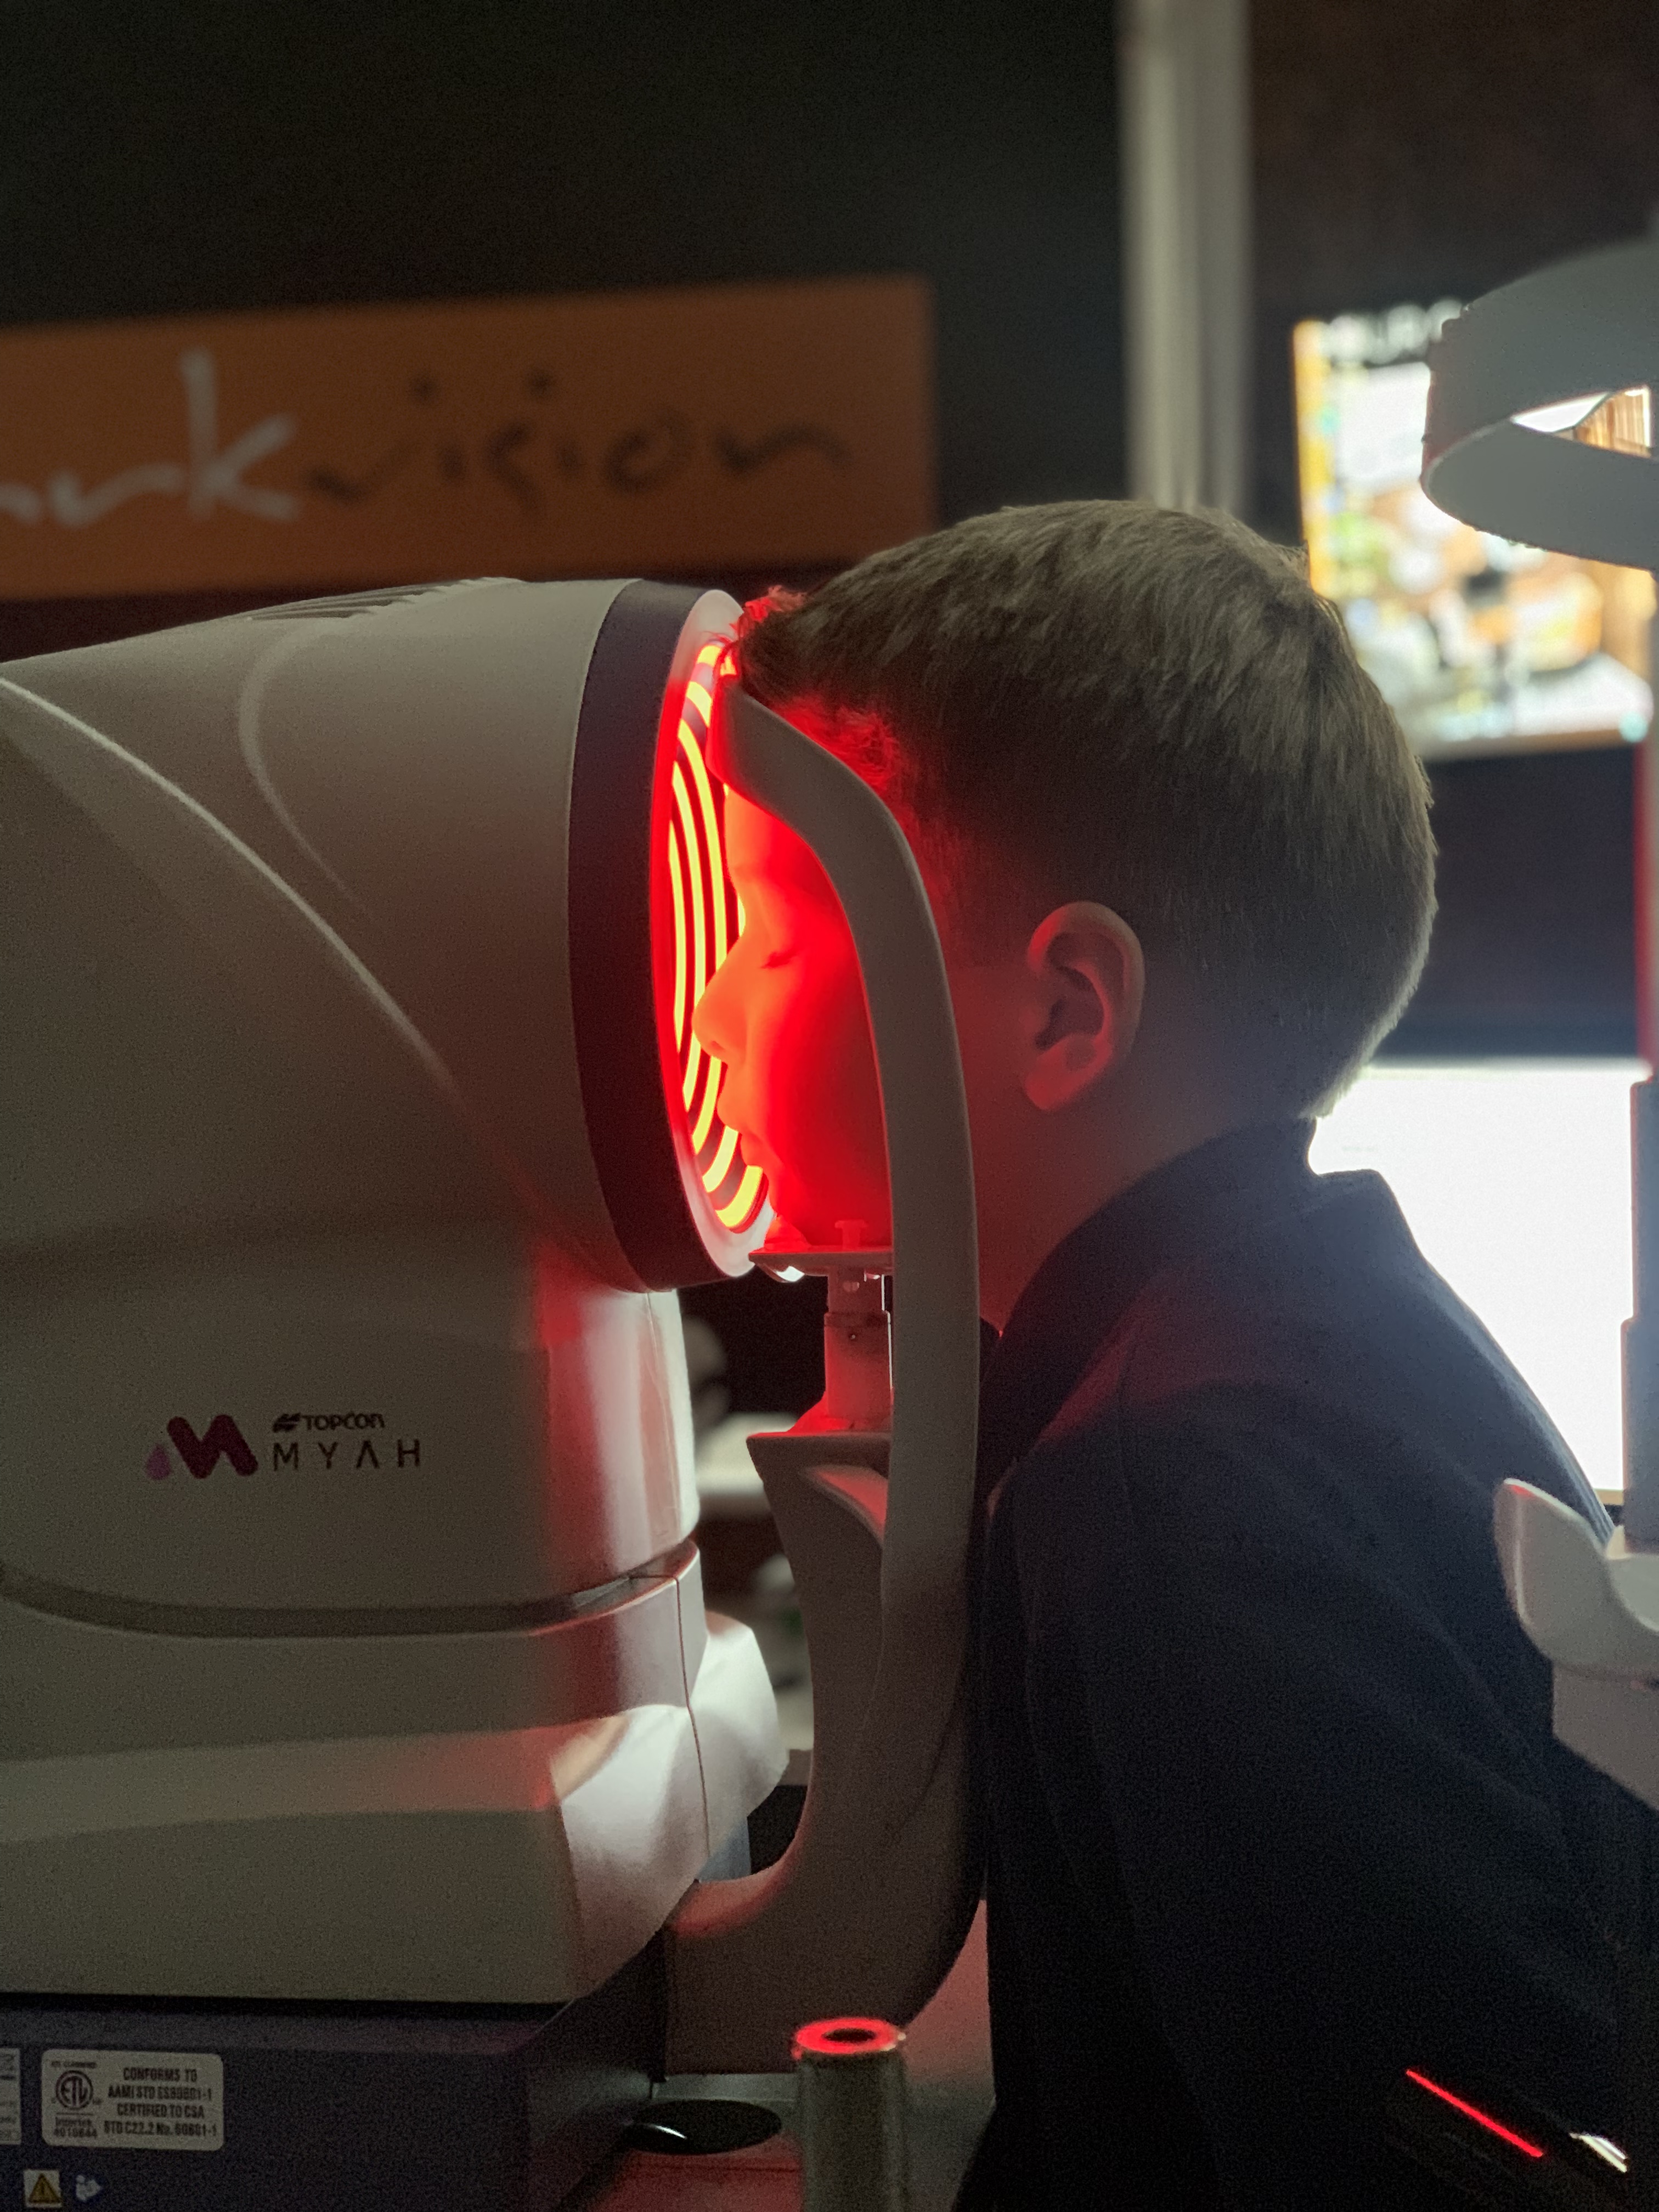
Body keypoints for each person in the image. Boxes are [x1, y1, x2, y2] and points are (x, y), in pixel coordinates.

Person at [690, 501, 1650, 2207]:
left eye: (772, 928)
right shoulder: (1309, 1331)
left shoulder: (1172, 1491)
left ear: (1067, 1012)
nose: (718, 996)